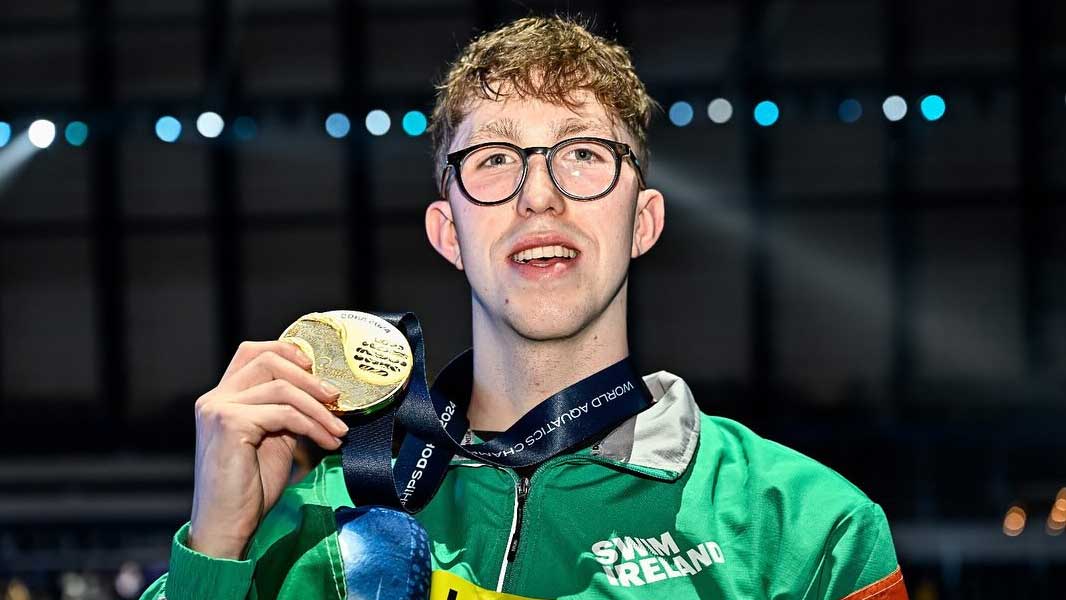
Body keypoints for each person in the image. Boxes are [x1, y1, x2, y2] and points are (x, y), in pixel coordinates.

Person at [142, 16, 908, 600]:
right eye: (495, 159)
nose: (538, 196)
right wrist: (219, 541)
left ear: (643, 221)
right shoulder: (307, 518)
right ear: (450, 233)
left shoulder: (806, 529)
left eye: (582, 154)